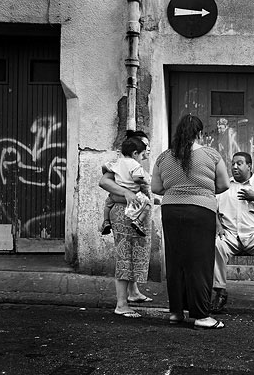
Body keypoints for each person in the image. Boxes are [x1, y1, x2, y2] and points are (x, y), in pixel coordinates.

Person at [151, 114, 230, 329]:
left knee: (175, 262)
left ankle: (176, 312)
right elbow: (223, 185)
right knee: (200, 263)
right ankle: (202, 316)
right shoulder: (211, 155)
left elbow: (156, 188)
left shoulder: (164, 157)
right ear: (199, 133)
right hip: (200, 211)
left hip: (171, 210)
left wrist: (177, 186)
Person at [211, 152, 254, 313]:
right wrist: (217, 226)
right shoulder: (225, 185)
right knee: (216, 244)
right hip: (230, 234)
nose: (235, 167)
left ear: (249, 166)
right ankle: (220, 292)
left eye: (239, 163)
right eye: (233, 163)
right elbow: (211, 206)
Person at [98, 130, 154, 318]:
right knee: (125, 256)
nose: (147, 151)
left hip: (133, 213)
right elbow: (104, 182)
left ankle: (133, 293)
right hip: (125, 213)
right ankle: (121, 304)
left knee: (132, 254)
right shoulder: (122, 164)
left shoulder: (132, 165)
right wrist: (126, 193)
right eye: (144, 147)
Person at [100, 137, 151, 237]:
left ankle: (106, 221)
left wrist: (114, 174)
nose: (143, 156)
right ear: (135, 153)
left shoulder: (117, 162)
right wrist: (144, 181)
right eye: (142, 154)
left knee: (107, 204)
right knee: (147, 205)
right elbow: (136, 178)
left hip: (115, 197)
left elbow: (104, 167)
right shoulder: (135, 165)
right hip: (132, 198)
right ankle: (138, 222)